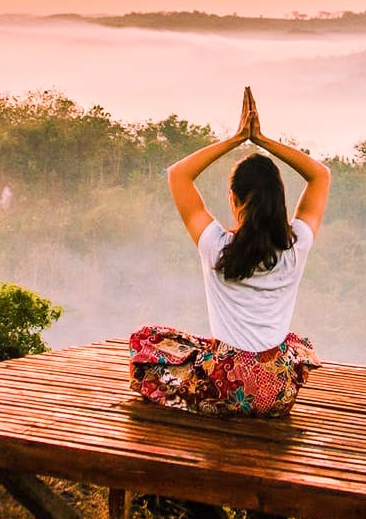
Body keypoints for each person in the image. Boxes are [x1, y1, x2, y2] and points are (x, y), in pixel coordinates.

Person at [129, 87, 331, 417]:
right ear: (279, 202)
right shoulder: (297, 246)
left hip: (222, 387)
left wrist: (237, 138)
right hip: (275, 393)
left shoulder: (216, 246)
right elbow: (320, 175)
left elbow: (178, 174)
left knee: (146, 341)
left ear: (234, 200)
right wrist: (262, 140)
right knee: (292, 343)